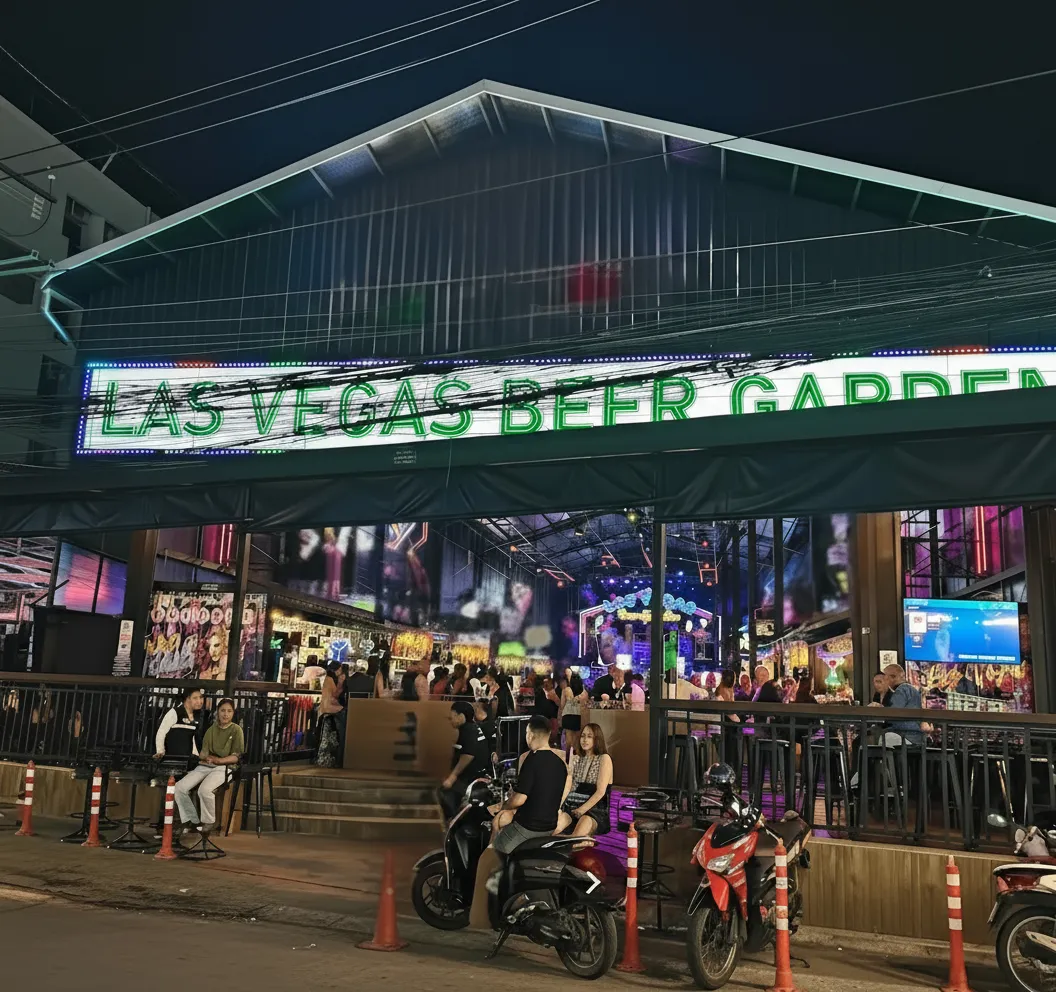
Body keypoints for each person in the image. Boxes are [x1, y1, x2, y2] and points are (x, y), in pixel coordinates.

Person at [490, 715, 569, 856]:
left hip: (528, 827)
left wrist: (504, 806)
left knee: (491, 855)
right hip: (550, 826)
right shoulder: (560, 763)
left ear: (531, 735)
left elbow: (519, 799)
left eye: (526, 733)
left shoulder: (532, 760)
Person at [173, 697, 244, 837]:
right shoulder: (211, 730)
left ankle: (208, 822)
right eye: (223, 710)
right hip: (207, 765)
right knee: (179, 787)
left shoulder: (236, 730)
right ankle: (190, 819)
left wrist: (219, 760)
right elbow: (203, 752)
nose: (225, 714)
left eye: (229, 711)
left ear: (233, 713)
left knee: (204, 790)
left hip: (225, 766)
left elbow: (236, 756)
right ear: (218, 711)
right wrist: (206, 757)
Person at [556, 722, 613, 838]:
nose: (584, 740)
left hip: (594, 810)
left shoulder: (604, 758)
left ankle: (580, 842)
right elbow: (569, 787)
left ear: (597, 739)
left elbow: (600, 792)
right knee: (553, 829)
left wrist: (581, 810)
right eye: (582, 736)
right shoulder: (577, 758)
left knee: (576, 837)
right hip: (571, 805)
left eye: (589, 736)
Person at [438, 701, 491, 821]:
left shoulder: (467, 731)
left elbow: (468, 755)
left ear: (461, 716)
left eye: (453, 716)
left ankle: (452, 825)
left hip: (469, 779)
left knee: (445, 795)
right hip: (475, 776)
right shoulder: (473, 728)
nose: (451, 720)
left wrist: (452, 777)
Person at [154, 686, 204, 763]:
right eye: (195, 698)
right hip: (173, 758)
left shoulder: (199, 715)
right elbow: (161, 733)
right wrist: (160, 752)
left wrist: (196, 756)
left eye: (201, 698)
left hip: (189, 760)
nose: (199, 701)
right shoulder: (174, 712)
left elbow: (194, 739)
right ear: (187, 699)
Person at [316, 662, 346, 768]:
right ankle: (340, 757)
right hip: (331, 709)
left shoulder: (327, 679)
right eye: (340, 669)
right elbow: (335, 694)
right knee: (343, 729)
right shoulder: (330, 679)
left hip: (326, 709)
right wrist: (341, 683)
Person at [559, 672, 589, 755]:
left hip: (567, 715)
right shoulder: (584, 693)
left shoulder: (566, 690)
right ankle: (577, 757)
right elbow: (586, 705)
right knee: (577, 739)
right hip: (578, 716)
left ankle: (567, 758)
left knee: (568, 740)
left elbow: (562, 705)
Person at [473, 698, 498, 766]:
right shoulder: (493, 723)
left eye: (475, 709)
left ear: (478, 708)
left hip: (487, 761)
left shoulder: (481, 727)